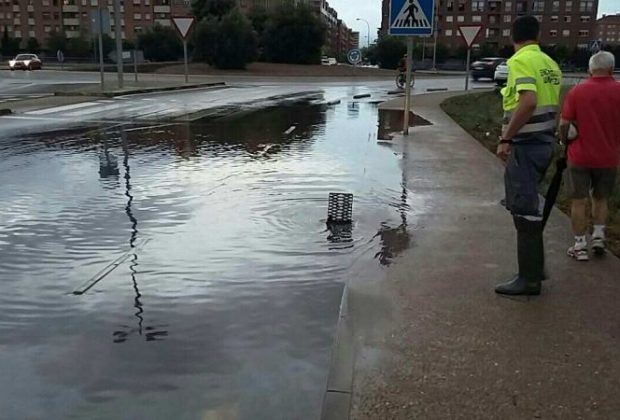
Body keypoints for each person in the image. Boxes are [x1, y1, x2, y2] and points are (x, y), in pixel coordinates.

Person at [495, 16, 562, 296]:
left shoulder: (520, 61)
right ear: (537, 35)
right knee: (529, 205)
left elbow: (529, 101)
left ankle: (529, 279)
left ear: (514, 37)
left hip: (526, 145)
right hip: (544, 142)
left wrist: (506, 137)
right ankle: (536, 267)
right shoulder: (549, 63)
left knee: (524, 209)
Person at [559, 51, 620, 261]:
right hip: (609, 157)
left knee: (578, 201)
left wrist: (564, 141)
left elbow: (564, 124)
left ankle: (579, 246)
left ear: (590, 70)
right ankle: (598, 237)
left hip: (579, 156)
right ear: (612, 69)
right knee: (601, 198)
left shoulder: (577, 92)